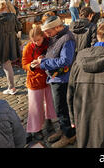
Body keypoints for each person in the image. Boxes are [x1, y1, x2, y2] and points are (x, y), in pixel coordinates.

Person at [31, 16, 76, 148]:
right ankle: (64, 130)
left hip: (62, 78)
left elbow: (65, 61)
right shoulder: (56, 37)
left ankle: (69, 135)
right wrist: (44, 58)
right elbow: (55, 53)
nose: (46, 35)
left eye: (48, 32)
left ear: (57, 27)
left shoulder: (67, 38)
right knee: (59, 107)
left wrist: (43, 63)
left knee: (61, 108)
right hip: (56, 77)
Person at [22, 25, 57, 144]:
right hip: (34, 80)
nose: (36, 43)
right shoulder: (28, 47)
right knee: (35, 107)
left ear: (42, 36)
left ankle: (49, 121)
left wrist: (45, 59)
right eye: (33, 41)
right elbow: (24, 63)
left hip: (48, 78)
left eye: (38, 40)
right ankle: (35, 129)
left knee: (50, 102)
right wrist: (31, 66)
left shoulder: (49, 43)